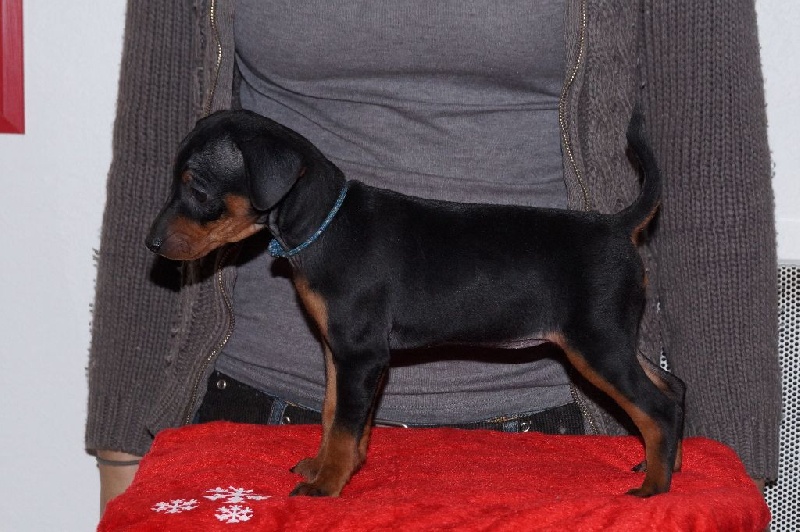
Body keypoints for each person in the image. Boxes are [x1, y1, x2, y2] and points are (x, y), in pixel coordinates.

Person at [87, 0, 781, 514]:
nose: (175, 224)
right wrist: (123, 453)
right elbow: (153, 144)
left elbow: (717, 180)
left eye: (199, 197)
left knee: (609, 361)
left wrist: (729, 468)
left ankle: (658, 441)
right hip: (251, 421)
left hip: (560, 433)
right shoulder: (301, 241)